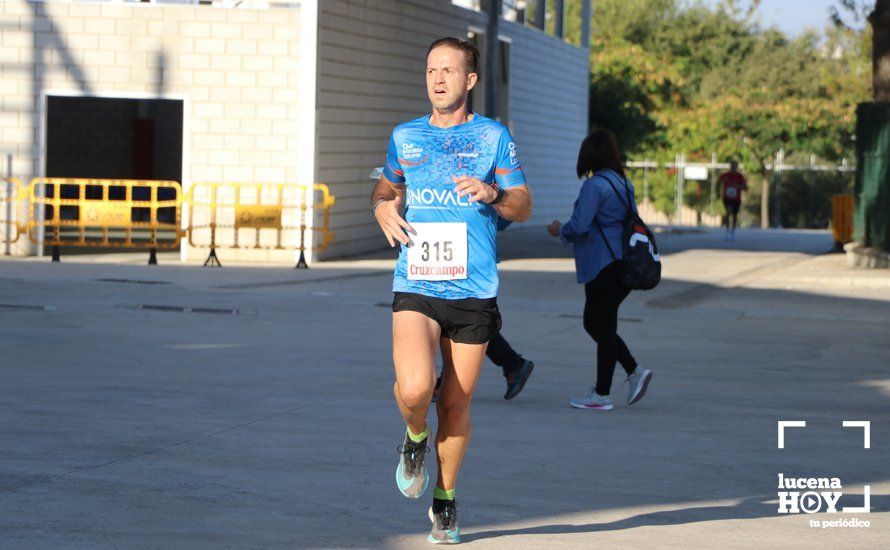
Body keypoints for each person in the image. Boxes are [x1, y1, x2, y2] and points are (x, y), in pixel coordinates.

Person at [370, 36, 532, 544]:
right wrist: (381, 205)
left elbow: (523, 204)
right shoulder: (405, 136)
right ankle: (414, 436)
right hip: (416, 279)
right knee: (417, 388)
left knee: (457, 406)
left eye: (448, 70)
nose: (437, 78)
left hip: (474, 287)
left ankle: (445, 500)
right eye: (430, 70)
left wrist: (495, 193)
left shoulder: (493, 137)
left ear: (470, 80)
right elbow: (387, 185)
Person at [546, 129, 652, 411]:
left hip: (602, 264)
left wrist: (559, 230)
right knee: (596, 323)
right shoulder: (622, 183)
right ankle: (633, 370)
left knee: (601, 327)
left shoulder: (594, 186)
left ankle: (603, 394)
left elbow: (579, 226)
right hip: (622, 264)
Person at [718, 160, 747, 241]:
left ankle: (732, 232)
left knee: (734, 215)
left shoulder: (739, 176)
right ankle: (727, 231)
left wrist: (738, 186)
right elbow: (718, 182)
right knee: (728, 212)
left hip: (736, 198)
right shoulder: (725, 175)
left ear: (737, 167)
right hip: (727, 197)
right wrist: (718, 192)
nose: (733, 167)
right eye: (732, 165)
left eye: (735, 166)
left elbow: (745, 187)